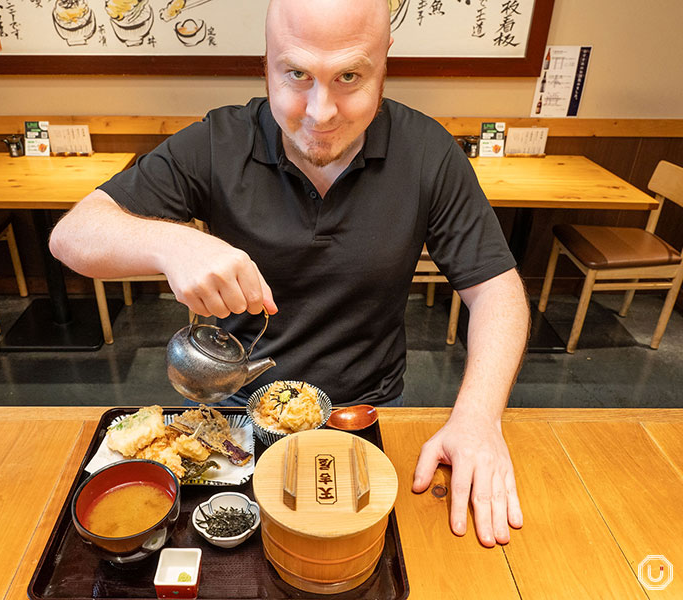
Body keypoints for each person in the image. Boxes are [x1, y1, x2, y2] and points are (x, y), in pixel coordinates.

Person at [50, 0, 529, 547]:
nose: (320, 111)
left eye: (349, 76)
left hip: (364, 415)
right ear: (266, 64)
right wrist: (168, 241)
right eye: (297, 74)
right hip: (232, 420)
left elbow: (497, 290)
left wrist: (477, 418)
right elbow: (72, 235)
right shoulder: (219, 141)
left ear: (385, 63)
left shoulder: (427, 153)